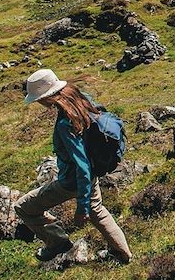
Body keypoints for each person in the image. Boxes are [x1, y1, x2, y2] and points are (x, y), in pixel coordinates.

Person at [14, 69, 132, 263]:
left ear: (47, 97)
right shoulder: (81, 98)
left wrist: (82, 207)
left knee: (24, 207)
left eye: (38, 99)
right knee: (99, 212)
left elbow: (81, 165)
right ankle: (122, 254)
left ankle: (57, 242)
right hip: (92, 174)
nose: (38, 103)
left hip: (72, 181)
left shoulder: (64, 124)